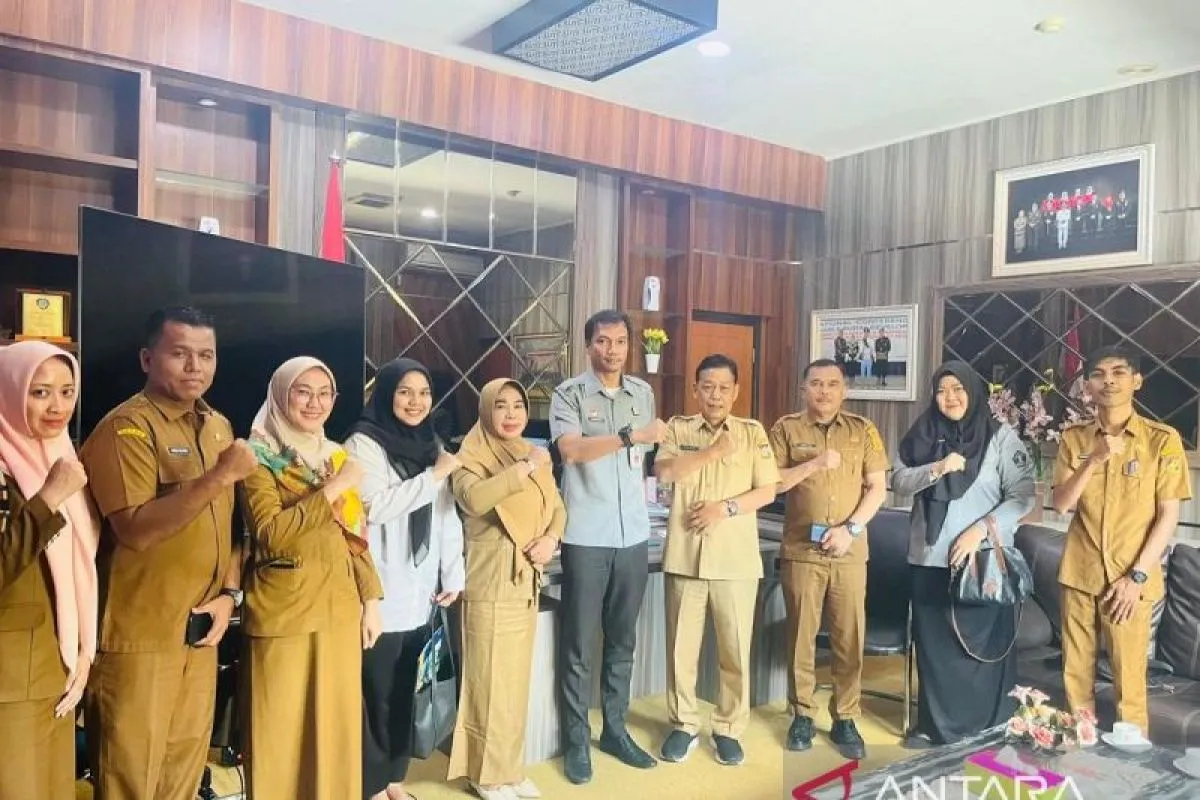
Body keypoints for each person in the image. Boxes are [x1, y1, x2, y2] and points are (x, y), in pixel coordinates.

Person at [80, 307, 256, 800]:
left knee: (182, 774)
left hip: (199, 633)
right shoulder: (126, 428)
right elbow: (135, 530)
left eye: (206, 355)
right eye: (180, 353)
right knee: (130, 778)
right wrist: (218, 476)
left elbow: (232, 528)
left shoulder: (218, 426)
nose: (195, 367)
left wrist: (229, 594)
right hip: (139, 639)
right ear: (147, 359)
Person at [241, 356, 383, 800]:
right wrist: (335, 487)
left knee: (335, 729)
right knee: (279, 732)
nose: (314, 403)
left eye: (325, 394)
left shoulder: (335, 455)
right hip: (285, 613)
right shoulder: (256, 457)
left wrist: (371, 600)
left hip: (340, 609)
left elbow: (355, 535)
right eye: (303, 392)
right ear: (281, 396)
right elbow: (270, 533)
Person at [891, 361, 1036, 748]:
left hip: (982, 561)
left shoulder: (1001, 438)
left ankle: (987, 728)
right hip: (930, 560)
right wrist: (937, 468)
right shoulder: (922, 433)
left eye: (958, 389)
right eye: (941, 390)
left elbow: (1023, 496)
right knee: (936, 650)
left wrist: (981, 529)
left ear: (973, 392)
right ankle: (935, 727)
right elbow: (899, 481)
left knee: (980, 651)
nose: (950, 397)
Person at [549, 308, 666, 784]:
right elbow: (571, 450)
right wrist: (628, 436)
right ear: (588, 345)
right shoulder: (569, 394)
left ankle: (615, 731)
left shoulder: (642, 393)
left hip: (633, 534)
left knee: (622, 641)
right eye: (602, 341)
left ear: (629, 346)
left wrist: (639, 441)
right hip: (586, 535)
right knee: (578, 645)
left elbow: (647, 459)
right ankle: (577, 742)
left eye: (619, 341)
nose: (611, 350)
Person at [1051, 347, 1190, 738]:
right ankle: (1079, 750)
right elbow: (1061, 504)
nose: (1108, 381)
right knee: (1075, 675)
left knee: (1129, 680)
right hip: (1080, 573)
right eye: (1098, 374)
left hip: (1131, 580)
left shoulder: (1161, 440)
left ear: (1136, 381)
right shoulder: (1074, 439)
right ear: (1088, 386)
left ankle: (1130, 759)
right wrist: (1093, 459)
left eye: (1118, 372)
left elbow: (1168, 516)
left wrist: (1137, 577)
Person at [344, 358, 465, 800]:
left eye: (424, 393)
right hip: (380, 591)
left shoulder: (431, 443)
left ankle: (394, 778)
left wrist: (453, 573)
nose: (416, 402)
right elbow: (375, 507)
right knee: (375, 693)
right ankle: (371, 786)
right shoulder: (363, 444)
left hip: (422, 589)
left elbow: (446, 514)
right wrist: (434, 476)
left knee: (405, 692)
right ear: (386, 395)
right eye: (405, 392)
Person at [653, 355, 779, 766]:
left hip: (735, 560)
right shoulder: (679, 428)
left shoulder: (752, 432)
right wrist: (711, 453)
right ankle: (684, 724)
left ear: (736, 391)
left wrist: (722, 509)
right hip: (685, 555)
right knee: (680, 650)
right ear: (695, 390)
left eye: (724, 387)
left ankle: (728, 729)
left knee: (734, 650)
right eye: (707, 387)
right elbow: (665, 472)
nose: (715, 395)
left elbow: (768, 491)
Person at [449, 379, 566, 800]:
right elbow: (476, 499)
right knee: (488, 683)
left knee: (514, 683)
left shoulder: (529, 453)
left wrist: (551, 538)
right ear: (486, 411)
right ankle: (484, 774)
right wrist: (526, 468)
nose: (512, 414)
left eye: (519, 405)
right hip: (490, 580)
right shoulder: (468, 457)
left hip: (526, 579)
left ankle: (509, 769)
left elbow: (557, 506)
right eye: (501, 406)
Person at [768, 359, 888, 760]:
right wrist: (814, 463)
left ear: (844, 391)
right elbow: (772, 484)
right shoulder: (786, 429)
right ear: (803, 389)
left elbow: (877, 488)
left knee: (848, 637)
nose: (824, 391)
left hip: (849, 550)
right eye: (816, 384)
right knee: (800, 636)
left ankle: (845, 716)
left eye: (832, 384)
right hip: (802, 550)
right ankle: (802, 713)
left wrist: (850, 529)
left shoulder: (863, 430)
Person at [0, 342, 97, 800]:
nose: (57, 406)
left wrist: (83, 648)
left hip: (56, 667)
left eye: (66, 391)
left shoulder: (60, 456)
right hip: (9, 678)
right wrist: (48, 499)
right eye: (40, 392)